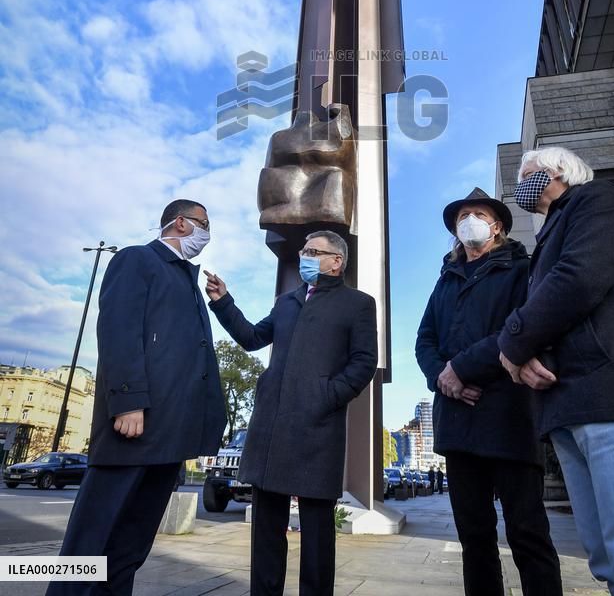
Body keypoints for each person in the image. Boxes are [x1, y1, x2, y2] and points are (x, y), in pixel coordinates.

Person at [498, 147, 614, 596]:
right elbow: (549, 311)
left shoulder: (596, 200)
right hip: (568, 404)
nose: (522, 184)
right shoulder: (550, 233)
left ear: (556, 172)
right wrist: (530, 356)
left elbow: (579, 279)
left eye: (527, 174)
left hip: (612, 396)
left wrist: (512, 343)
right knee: (608, 558)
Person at [47, 200, 227, 596]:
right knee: (89, 544)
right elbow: (119, 331)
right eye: (203, 224)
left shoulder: (188, 282)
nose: (207, 233)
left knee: (131, 545)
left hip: (170, 435)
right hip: (133, 425)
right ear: (180, 223)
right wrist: (128, 400)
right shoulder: (137, 260)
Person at [205, 229, 377, 596]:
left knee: (316, 532)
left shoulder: (358, 304)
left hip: (318, 427)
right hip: (271, 427)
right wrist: (223, 301)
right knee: (266, 530)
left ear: (336, 261)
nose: (305, 256)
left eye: (314, 251)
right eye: (304, 250)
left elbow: (364, 362)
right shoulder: (286, 301)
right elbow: (252, 338)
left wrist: (326, 396)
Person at [416, 188, 562, 596]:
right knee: (474, 538)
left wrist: (460, 369)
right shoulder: (445, 279)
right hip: (458, 422)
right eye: (462, 217)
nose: (469, 222)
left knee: (527, 533)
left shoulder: (521, 270)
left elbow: (520, 328)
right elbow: (424, 341)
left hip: (508, 417)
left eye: (477, 214)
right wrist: (444, 379)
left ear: (497, 226)